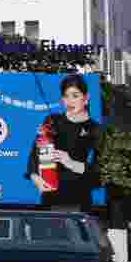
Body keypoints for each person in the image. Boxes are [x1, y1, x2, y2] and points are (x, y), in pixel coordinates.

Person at [25, 73, 101, 212]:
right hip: (50, 198)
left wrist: (71, 163)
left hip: (79, 200)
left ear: (86, 98)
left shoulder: (95, 129)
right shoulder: (52, 120)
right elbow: (34, 156)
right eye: (66, 96)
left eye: (75, 95)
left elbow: (99, 173)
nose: (70, 101)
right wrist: (36, 178)